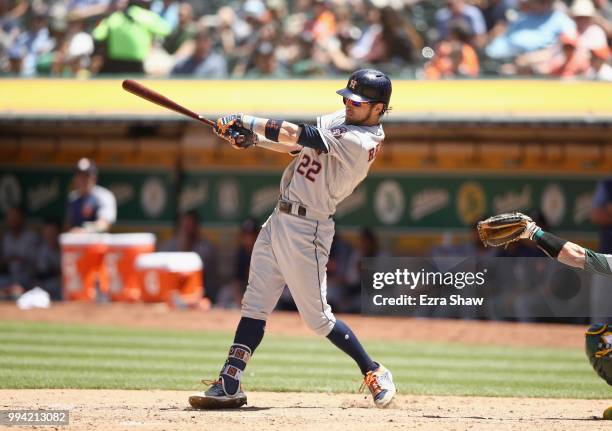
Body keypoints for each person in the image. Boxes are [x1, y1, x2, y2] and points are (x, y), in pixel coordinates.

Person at [188, 69, 396, 410]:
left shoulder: (363, 141)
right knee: (254, 304)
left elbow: (300, 132)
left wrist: (245, 120)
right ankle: (229, 381)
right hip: (279, 218)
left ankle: (373, 370)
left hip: (308, 229)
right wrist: (252, 140)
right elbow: (295, 142)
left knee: (318, 320)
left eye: (357, 102)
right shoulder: (344, 119)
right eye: (347, 97)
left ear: (378, 109)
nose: (348, 104)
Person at [159, 209, 218, 301]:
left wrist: (184, 246)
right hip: (172, 295)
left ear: (197, 227)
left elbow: (192, 273)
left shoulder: (205, 247)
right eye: (184, 225)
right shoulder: (169, 245)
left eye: (190, 225)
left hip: (202, 295)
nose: (187, 229)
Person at [66, 158, 117, 233]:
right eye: (79, 175)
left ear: (94, 178)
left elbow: (104, 225)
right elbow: (68, 225)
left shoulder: (104, 196)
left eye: (86, 176)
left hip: (98, 243)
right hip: (76, 243)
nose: (82, 179)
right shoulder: (72, 198)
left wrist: (84, 231)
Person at [0, 206, 38, 299]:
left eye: (15, 217)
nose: (12, 220)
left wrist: (19, 259)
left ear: (22, 218)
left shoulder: (31, 237)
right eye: (10, 217)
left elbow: (35, 265)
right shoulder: (6, 238)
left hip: (27, 278)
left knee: (17, 293)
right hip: (9, 278)